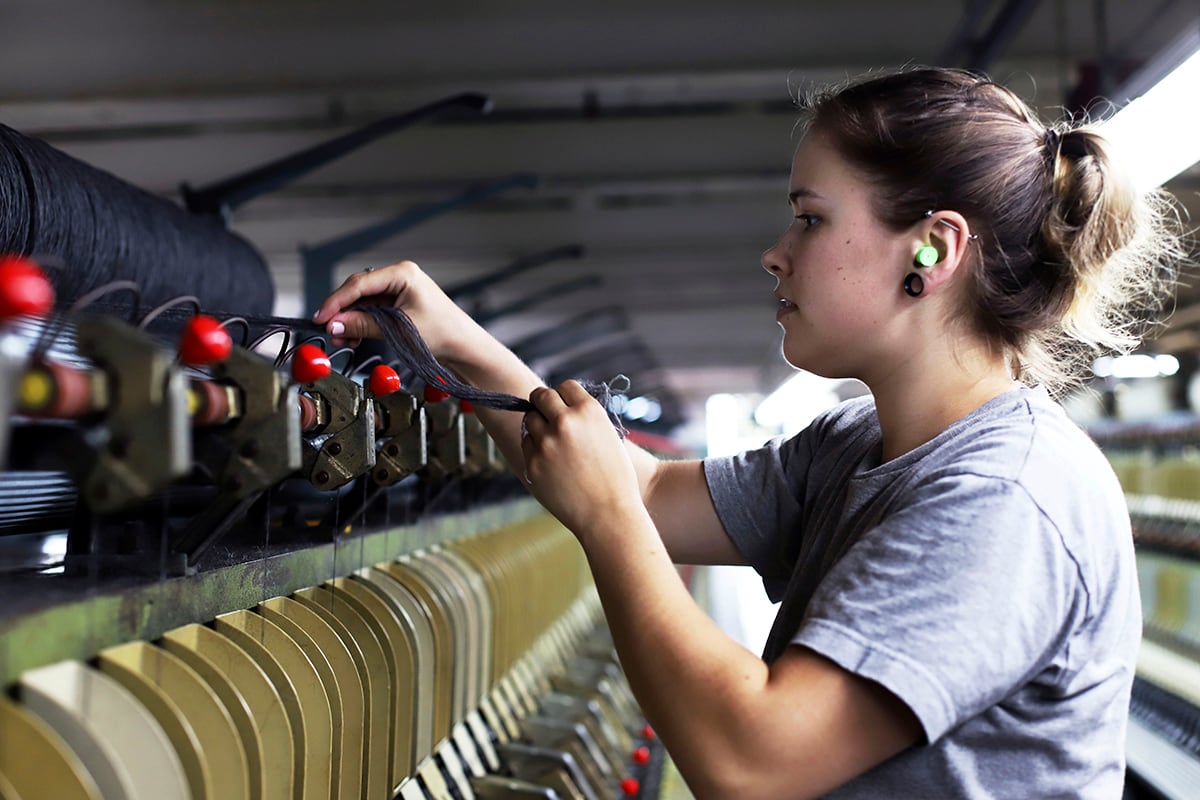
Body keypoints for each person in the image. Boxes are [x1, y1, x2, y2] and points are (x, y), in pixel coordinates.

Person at [314, 67, 1184, 798]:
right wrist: (456, 340)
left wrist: (604, 520)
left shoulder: (1003, 499)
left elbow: (754, 759)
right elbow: (648, 492)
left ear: (933, 250)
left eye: (811, 218)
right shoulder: (855, 445)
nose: (778, 251)